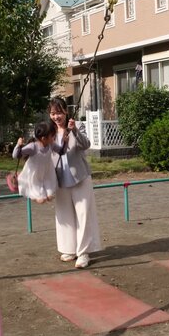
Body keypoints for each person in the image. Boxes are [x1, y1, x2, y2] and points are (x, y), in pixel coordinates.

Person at [48, 97, 101, 268]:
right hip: (60, 180)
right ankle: (68, 249)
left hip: (80, 178)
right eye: (53, 113)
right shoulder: (49, 131)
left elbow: (86, 144)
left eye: (59, 113)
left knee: (83, 215)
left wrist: (74, 130)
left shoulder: (76, 125)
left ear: (66, 111)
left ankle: (83, 252)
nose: (56, 117)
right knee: (64, 215)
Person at [12, 121, 64, 204]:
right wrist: (18, 144)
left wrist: (65, 141)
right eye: (52, 136)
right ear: (44, 138)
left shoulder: (51, 144)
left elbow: (62, 151)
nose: (54, 137)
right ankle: (35, 196)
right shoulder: (33, 147)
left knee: (50, 196)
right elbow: (15, 155)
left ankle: (43, 193)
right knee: (41, 200)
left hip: (47, 173)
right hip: (34, 175)